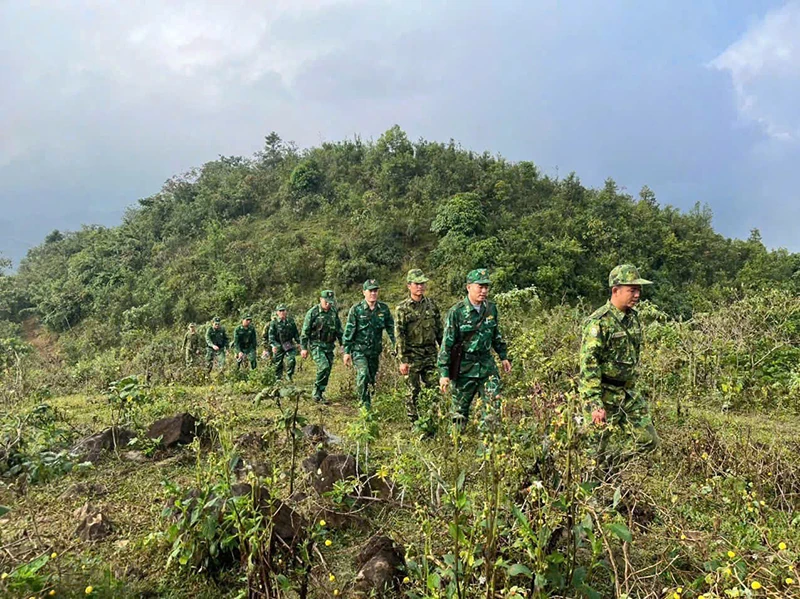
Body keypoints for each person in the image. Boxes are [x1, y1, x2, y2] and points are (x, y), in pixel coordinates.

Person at [579, 264, 660, 471]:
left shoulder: (633, 318)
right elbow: (589, 365)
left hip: (628, 392)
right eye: (632, 290)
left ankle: (611, 467)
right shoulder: (599, 322)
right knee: (594, 452)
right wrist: (595, 404)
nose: (637, 294)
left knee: (648, 440)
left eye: (638, 290)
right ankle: (590, 496)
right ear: (616, 290)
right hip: (604, 394)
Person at [438, 269, 511, 429]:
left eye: (486, 287)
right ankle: (455, 446)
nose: (484, 291)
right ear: (469, 287)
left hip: (487, 367)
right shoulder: (456, 312)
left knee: (492, 408)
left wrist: (503, 356)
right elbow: (447, 344)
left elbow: (496, 335)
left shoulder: (491, 309)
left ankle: (487, 448)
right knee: (459, 413)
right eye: (480, 287)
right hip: (464, 368)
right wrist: (444, 373)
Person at [395, 269, 443, 422]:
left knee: (434, 388)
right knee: (413, 391)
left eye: (422, 284)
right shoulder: (402, 308)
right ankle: (414, 422)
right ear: (409, 285)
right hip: (412, 355)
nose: (420, 287)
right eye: (416, 284)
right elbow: (399, 335)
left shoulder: (432, 305)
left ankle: (432, 419)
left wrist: (445, 352)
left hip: (430, 354)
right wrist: (402, 360)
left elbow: (439, 330)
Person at [343, 279, 396, 410]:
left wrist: (397, 345)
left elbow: (391, 329)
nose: (373, 293)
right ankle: (364, 405)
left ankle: (370, 400)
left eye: (375, 290)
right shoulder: (356, 310)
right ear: (364, 292)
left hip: (374, 351)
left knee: (371, 378)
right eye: (370, 291)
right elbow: (349, 331)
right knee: (363, 374)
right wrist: (346, 352)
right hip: (359, 351)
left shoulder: (383, 309)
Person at [301, 290, 343, 403]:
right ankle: (315, 391)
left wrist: (343, 344)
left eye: (330, 302)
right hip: (316, 345)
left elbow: (339, 329)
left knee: (328, 370)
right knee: (323, 366)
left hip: (329, 345)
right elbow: (305, 331)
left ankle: (320, 393)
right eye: (326, 302)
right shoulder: (313, 313)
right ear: (320, 299)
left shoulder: (333, 312)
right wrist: (304, 348)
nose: (328, 304)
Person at [266, 304, 300, 381]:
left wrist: (299, 343)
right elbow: (271, 336)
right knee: (278, 363)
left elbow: (295, 333)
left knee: (291, 360)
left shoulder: (290, 321)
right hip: (278, 344)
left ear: (286, 311)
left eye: (283, 310)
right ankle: (278, 378)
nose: (282, 312)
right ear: (277, 312)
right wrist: (273, 345)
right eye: (280, 311)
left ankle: (289, 376)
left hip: (288, 344)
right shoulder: (274, 323)